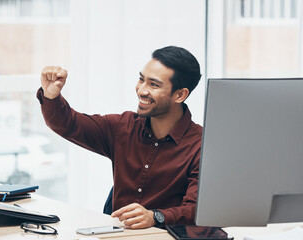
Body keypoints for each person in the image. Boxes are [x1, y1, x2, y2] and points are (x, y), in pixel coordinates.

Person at [37, 46, 202, 229]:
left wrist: (156, 216)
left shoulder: (201, 146)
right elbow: (69, 124)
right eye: (141, 79)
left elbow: (197, 209)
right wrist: (51, 95)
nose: (141, 90)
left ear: (180, 95)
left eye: (153, 85)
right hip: (117, 235)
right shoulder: (123, 127)